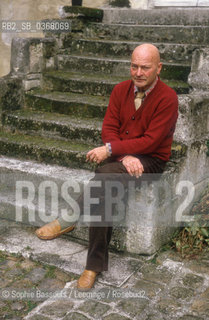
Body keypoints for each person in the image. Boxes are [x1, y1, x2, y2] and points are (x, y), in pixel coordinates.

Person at [35, 43, 178, 290]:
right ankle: (93, 266)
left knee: (102, 176)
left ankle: (70, 218)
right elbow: (109, 129)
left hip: (151, 162)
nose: (139, 72)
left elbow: (151, 140)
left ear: (159, 68)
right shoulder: (120, 90)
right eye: (134, 66)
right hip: (123, 160)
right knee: (105, 188)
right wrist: (124, 156)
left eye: (145, 67)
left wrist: (112, 151)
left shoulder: (168, 98)